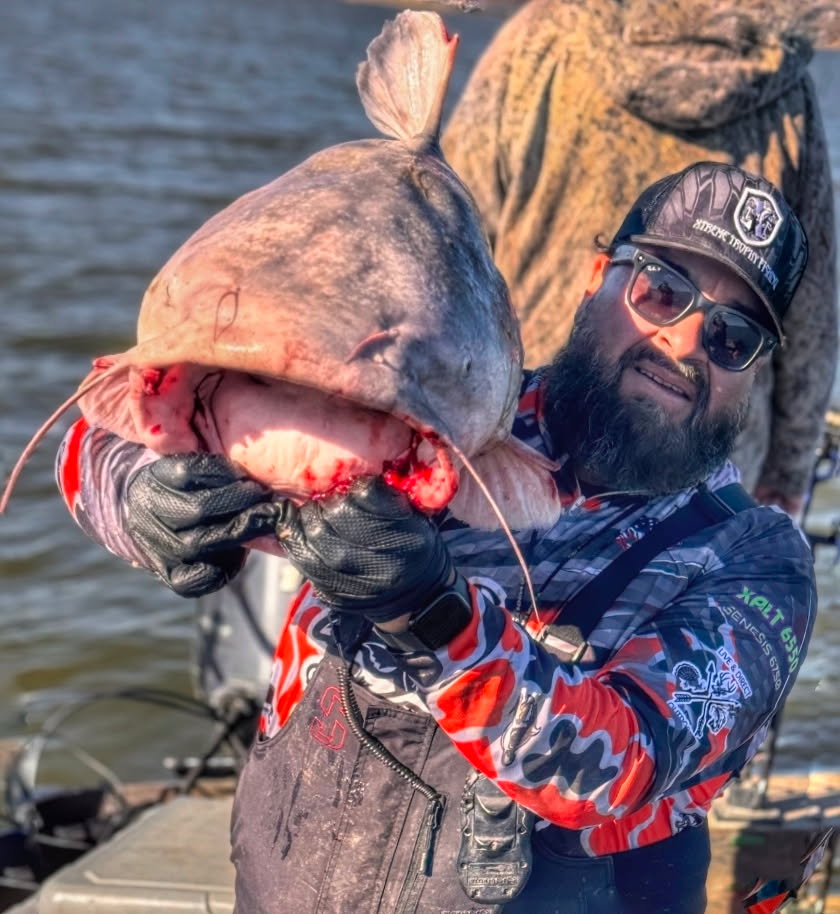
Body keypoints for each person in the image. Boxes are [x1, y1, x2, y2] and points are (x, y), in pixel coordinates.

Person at [56, 162, 816, 913]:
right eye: (663, 291)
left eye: (733, 337)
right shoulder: (428, 406)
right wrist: (147, 497)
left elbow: (623, 763)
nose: (685, 342)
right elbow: (98, 435)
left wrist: (431, 612)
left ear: (755, 371)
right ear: (596, 278)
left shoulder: (759, 565)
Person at [442, 0, 838, 518]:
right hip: (700, 474)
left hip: (521, 437)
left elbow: (447, 240)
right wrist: (787, 473)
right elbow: (811, 317)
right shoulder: (787, 92)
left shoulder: (541, 39)